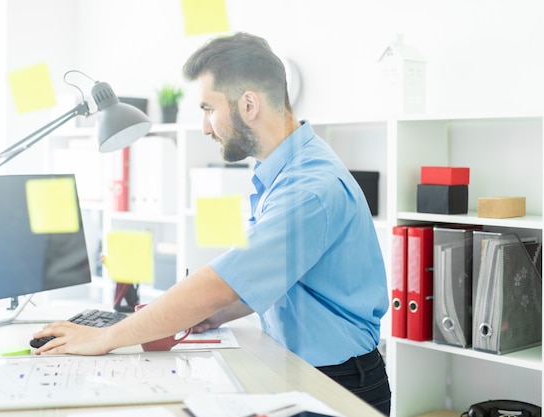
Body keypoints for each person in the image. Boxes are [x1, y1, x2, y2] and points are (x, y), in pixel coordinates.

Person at [32, 32, 391, 415]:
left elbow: (220, 284)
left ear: (249, 104)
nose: (205, 127)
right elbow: (269, 281)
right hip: (307, 370)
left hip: (338, 384)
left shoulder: (307, 189)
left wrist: (105, 338)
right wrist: (206, 315)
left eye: (208, 108)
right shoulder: (285, 172)